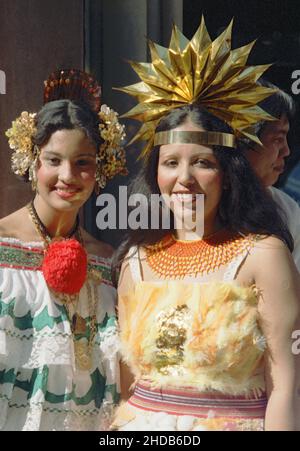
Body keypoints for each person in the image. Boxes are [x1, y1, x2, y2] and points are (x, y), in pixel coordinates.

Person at [112, 20, 300, 431]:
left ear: (228, 172)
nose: (184, 179)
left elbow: (286, 385)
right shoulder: (135, 261)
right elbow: (127, 386)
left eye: (202, 162)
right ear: (155, 173)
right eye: (171, 163)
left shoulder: (263, 255)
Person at [0, 70, 127, 430]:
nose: (67, 176)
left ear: (100, 168)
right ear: (33, 161)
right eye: (54, 160)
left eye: (82, 162)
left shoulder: (106, 260)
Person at [243, 79, 300, 270]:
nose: (286, 151)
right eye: (277, 139)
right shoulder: (191, 204)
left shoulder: (286, 210)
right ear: (242, 140)